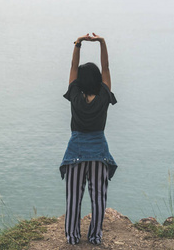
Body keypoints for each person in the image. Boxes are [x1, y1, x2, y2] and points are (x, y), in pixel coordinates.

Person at [60, 33, 118, 245]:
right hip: (99, 153)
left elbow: (73, 69)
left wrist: (78, 43)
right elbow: (106, 69)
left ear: (80, 81)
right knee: (98, 199)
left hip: (75, 151)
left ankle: (73, 237)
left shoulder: (75, 94)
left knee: (73, 198)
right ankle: (95, 236)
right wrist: (102, 43)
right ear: (98, 80)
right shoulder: (104, 95)